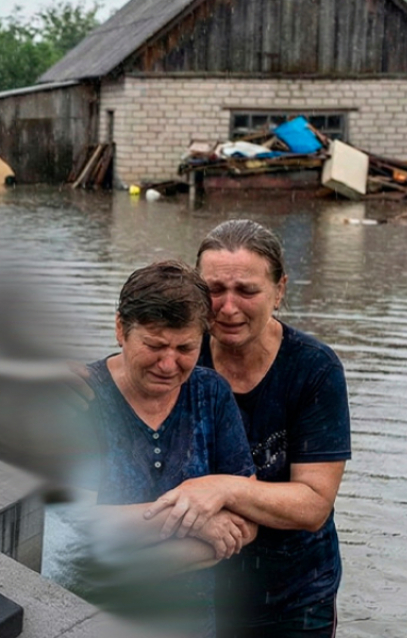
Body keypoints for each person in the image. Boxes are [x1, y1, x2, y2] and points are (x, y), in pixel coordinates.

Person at [144, 220, 351, 637]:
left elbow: (313, 505)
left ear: (280, 290)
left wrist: (223, 488)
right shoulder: (179, 356)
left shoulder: (313, 369)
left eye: (247, 291)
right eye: (214, 290)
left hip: (294, 595)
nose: (226, 307)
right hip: (193, 584)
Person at [77, 260, 257, 637]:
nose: (169, 363)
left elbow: (245, 521)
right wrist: (198, 521)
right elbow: (75, 530)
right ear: (120, 330)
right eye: (155, 345)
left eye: (185, 347)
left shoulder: (212, 394)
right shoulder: (82, 399)